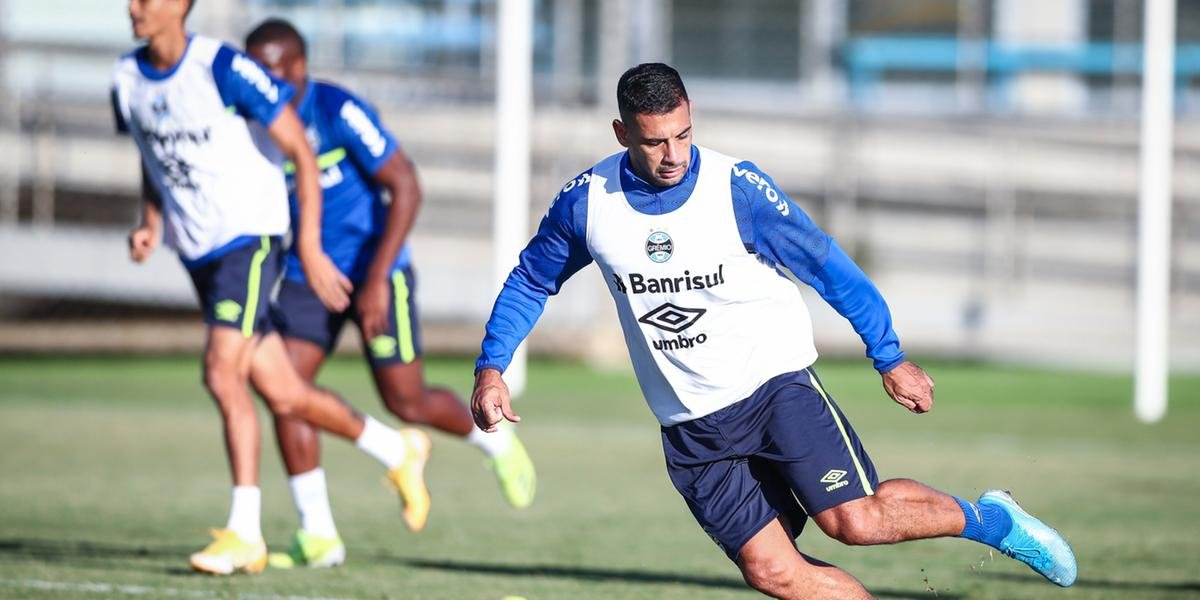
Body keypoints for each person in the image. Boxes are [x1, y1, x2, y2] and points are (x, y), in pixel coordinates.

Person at [470, 63, 1077, 599]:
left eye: (683, 134)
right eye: (655, 142)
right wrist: (492, 366)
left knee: (854, 522)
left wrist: (888, 356)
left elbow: (826, 264)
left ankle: (992, 520)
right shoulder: (587, 203)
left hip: (773, 387)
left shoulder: (736, 189)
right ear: (622, 133)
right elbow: (531, 280)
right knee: (772, 572)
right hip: (692, 428)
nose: (674, 154)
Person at [111, 0, 431, 575]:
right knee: (281, 392)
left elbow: (301, 153)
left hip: (249, 239)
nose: (135, 7)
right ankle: (396, 449)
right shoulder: (126, 78)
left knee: (220, 372)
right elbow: (153, 149)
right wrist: (151, 221)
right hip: (198, 252)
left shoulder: (223, 68)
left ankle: (245, 532)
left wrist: (307, 244)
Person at [238, 19, 537, 569]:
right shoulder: (250, 121)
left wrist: (376, 280)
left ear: (299, 68)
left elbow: (406, 185)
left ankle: (494, 443)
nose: (260, 82)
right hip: (310, 277)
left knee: (405, 400)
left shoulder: (336, 111)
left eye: (272, 70)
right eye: (253, 70)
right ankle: (319, 534)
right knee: (285, 389)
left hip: (378, 271)